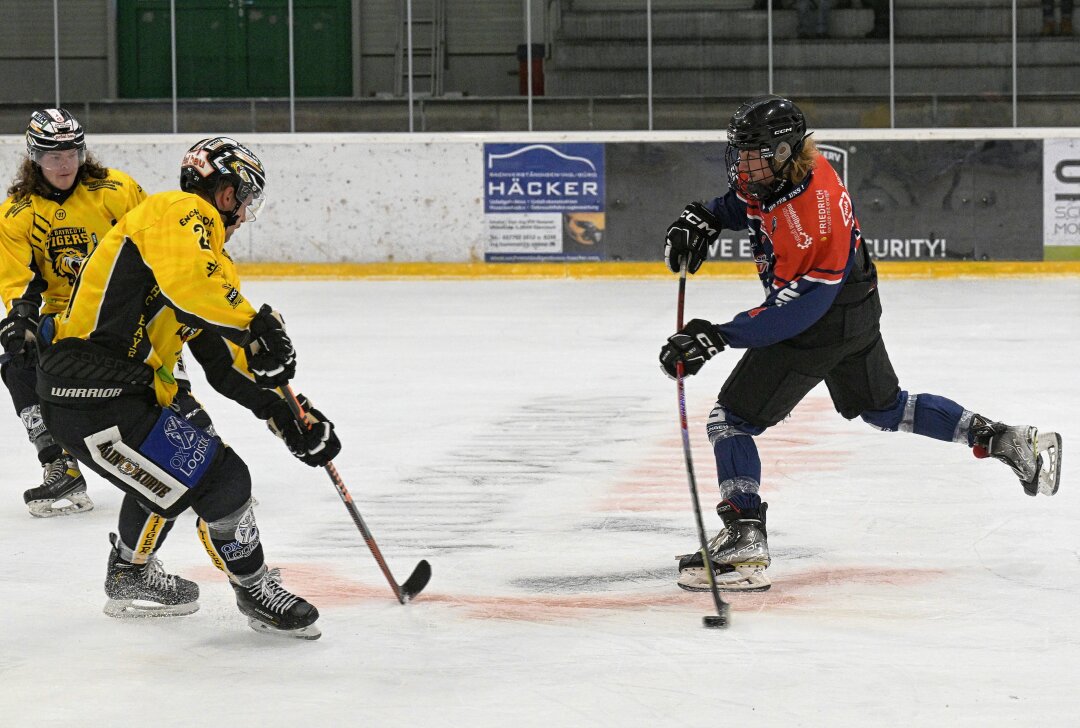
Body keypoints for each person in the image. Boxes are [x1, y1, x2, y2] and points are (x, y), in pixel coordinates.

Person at [658, 95, 1063, 592]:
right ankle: (1003, 438)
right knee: (885, 407)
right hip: (857, 309)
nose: (743, 164)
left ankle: (744, 535)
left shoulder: (811, 219)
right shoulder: (794, 171)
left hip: (819, 323)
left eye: (754, 154)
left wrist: (719, 336)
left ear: (784, 151)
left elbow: (797, 311)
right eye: (740, 152)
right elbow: (748, 203)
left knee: (731, 420)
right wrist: (705, 216)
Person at [35, 136, 341, 639]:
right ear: (224, 192)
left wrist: (290, 414)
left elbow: (224, 361)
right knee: (221, 477)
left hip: (114, 397)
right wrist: (252, 325)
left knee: (175, 472)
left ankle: (131, 575)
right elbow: (193, 288)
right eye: (243, 199)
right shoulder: (176, 211)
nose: (243, 215)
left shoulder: (198, 256)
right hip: (92, 397)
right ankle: (254, 587)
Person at [0, 108, 147, 517]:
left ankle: (198, 456)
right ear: (34, 158)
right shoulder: (18, 213)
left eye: (71, 154)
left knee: (165, 382)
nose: (64, 165)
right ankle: (59, 464)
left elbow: (157, 245)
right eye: (52, 157)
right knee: (17, 362)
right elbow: (22, 283)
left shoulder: (117, 190)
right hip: (67, 318)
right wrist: (20, 323)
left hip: (126, 311)